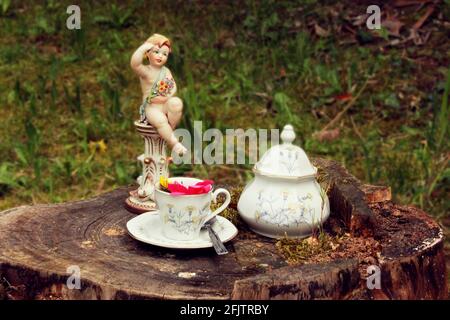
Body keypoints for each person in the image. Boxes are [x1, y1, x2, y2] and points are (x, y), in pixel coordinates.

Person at [130, 34, 187, 155]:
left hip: (164, 104)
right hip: (152, 107)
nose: (160, 56)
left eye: (164, 54)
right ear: (148, 53)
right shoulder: (146, 71)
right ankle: (173, 142)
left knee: (176, 103)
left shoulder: (166, 71)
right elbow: (135, 64)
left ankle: (170, 128)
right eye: (156, 52)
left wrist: (168, 94)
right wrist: (142, 48)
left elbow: (172, 85)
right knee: (160, 120)